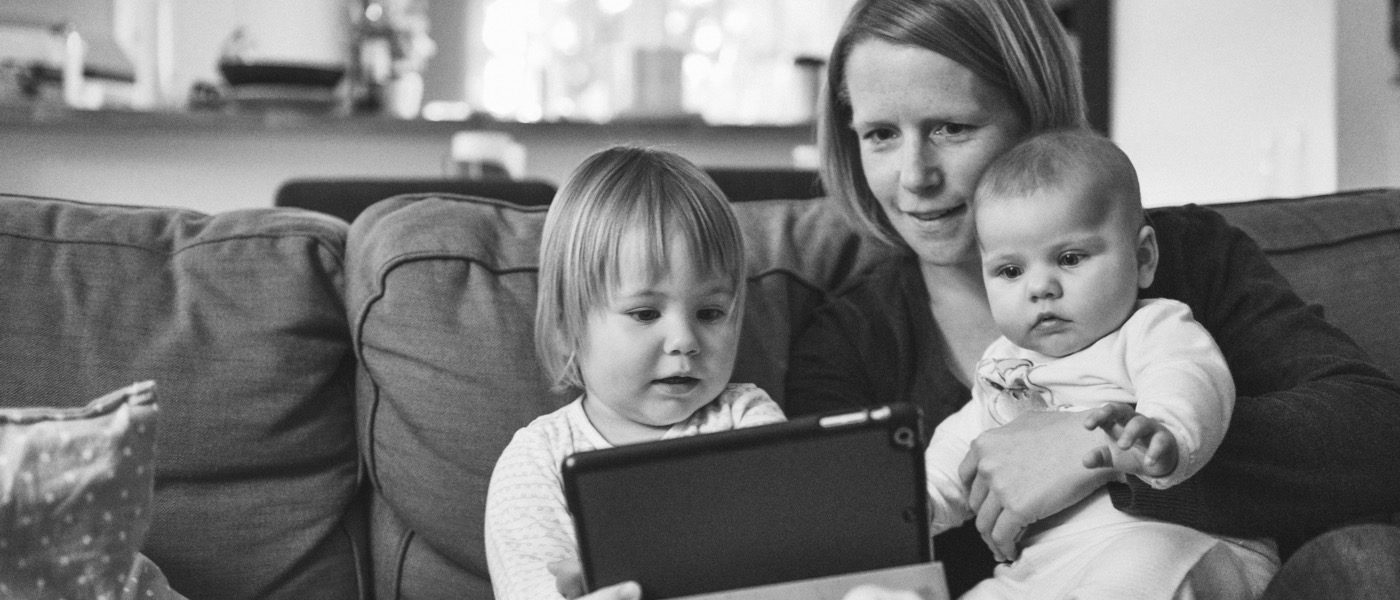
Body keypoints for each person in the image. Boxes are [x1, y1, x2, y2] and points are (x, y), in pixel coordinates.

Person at [782, 0, 1400, 597]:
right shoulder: (846, 344)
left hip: (1185, 573)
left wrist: (1100, 447)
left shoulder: (1185, 257)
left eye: (952, 128)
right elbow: (840, 550)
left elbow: (1376, 437)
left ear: (1036, 116)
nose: (915, 176)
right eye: (882, 134)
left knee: (1362, 562)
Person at [923, 128, 1277, 598]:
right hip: (1044, 570)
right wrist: (915, 502)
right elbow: (964, 446)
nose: (1039, 287)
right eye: (1010, 270)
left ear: (1143, 257)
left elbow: (1190, 380)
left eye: (1069, 258)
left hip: (1175, 543)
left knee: (1136, 573)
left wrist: (1162, 434)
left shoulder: (1152, 329)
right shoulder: (1002, 366)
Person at [484, 145, 786, 600]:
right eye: (645, 313)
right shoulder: (537, 461)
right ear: (568, 327)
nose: (684, 339)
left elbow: (792, 559)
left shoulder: (747, 420)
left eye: (710, 312)